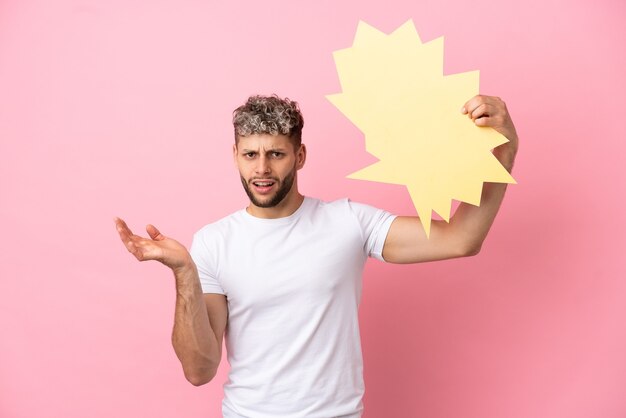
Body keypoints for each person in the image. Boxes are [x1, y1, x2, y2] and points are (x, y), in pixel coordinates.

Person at [115, 94, 518, 418]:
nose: (262, 169)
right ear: (235, 155)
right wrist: (184, 271)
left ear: (300, 155)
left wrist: (505, 147)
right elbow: (199, 370)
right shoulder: (213, 242)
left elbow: (462, 238)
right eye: (250, 154)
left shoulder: (348, 222)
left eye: (276, 154)